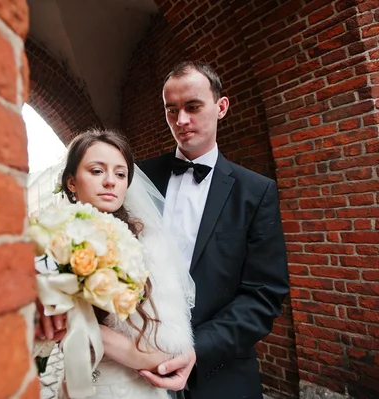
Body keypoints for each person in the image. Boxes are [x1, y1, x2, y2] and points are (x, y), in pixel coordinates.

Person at [137, 61, 290, 399]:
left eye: (193, 107)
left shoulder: (256, 191)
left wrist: (199, 350)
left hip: (221, 375)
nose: (181, 121)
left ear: (221, 107)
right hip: (138, 370)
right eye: (171, 110)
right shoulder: (137, 180)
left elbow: (263, 294)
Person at [34, 129, 196, 399]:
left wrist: (81, 324)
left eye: (120, 174)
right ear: (71, 182)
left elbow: (164, 352)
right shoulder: (46, 239)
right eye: (97, 171)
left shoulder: (147, 247)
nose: (110, 181)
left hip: (127, 388)